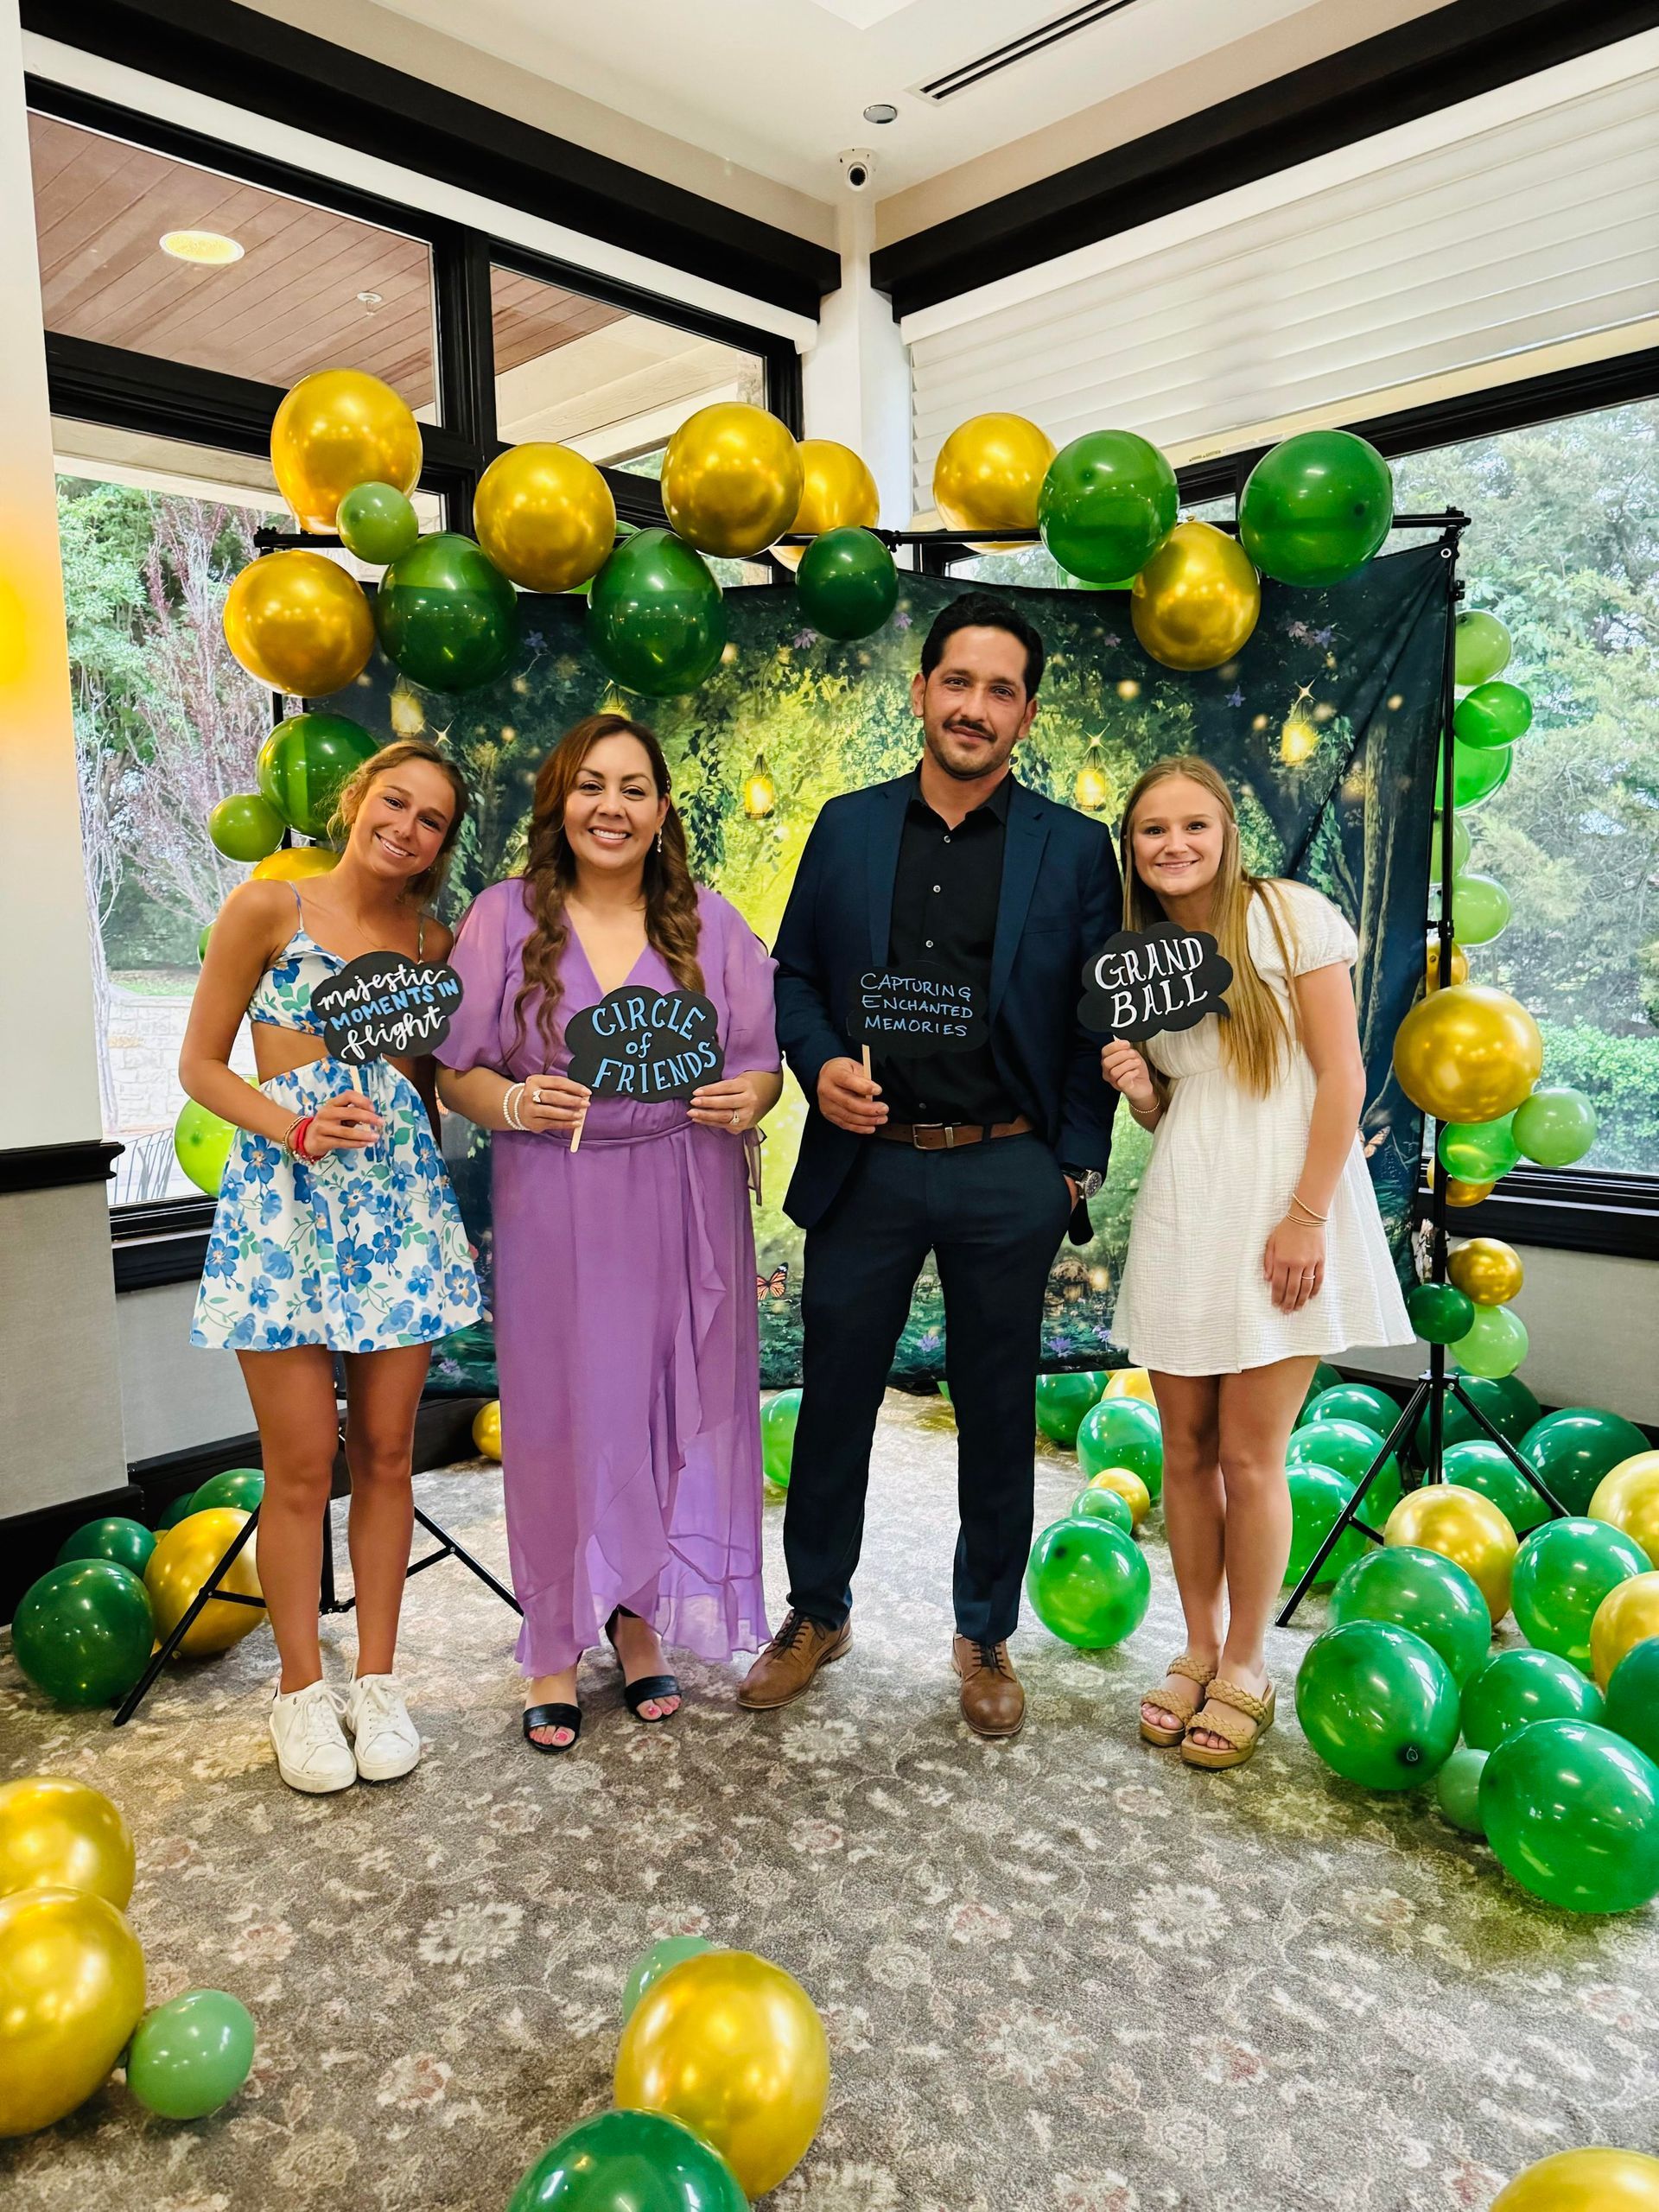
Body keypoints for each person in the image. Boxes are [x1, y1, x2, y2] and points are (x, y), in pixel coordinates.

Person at [741, 593, 1122, 1740]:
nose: (976, 707)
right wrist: (817, 1069)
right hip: (870, 1164)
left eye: (1001, 690)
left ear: (1027, 714)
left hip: (1008, 1171)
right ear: (922, 692)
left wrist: (1070, 1167)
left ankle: (984, 1630)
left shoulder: (1073, 847)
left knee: (999, 1412)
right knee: (836, 1403)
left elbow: (1094, 1012)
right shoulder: (848, 827)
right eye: (959, 682)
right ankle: (817, 1613)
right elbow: (794, 976)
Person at [434, 713, 779, 1755]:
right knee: (557, 1415)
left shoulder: (711, 925)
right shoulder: (503, 917)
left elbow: (760, 1062)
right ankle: (549, 1638)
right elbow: (457, 1071)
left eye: (634, 789)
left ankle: (637, 1620)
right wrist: (510, 1104)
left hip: (684, 1185)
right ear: (560, 803)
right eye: (591, 786)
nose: (612, 807)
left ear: (663, 811)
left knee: (663, 1406)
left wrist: (746, 1099)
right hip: (557, 1189)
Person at [181, 738, 480, 1796]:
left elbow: (432, 1082)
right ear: (358, 800)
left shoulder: (434, 939)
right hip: (284, 1211)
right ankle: (300, 1694)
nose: (406, 826)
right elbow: (200, 1063)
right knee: (303, 1465)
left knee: (390, 1457)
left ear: (442, 844)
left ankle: (381, 1681)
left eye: (431, 819)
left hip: (395, 1215)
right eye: (394, 802)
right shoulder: (270, 910)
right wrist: (294, 1129)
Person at [1106, 757, 1414, 1771]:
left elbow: (1343, 1072)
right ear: (1134, 850)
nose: (1175, 845)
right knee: (1184, 1449)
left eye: (1194, 824)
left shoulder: (1288, 916)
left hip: (1288, 1201)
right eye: (1153, 830)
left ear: (1227, 829)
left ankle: (1247, 1663)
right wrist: (1141, 1092)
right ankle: (1193, 1647)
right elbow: (1179, 1108)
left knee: (1250, 1452)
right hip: (1188, 1206)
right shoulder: (1141, 957)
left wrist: (1306, 1215)